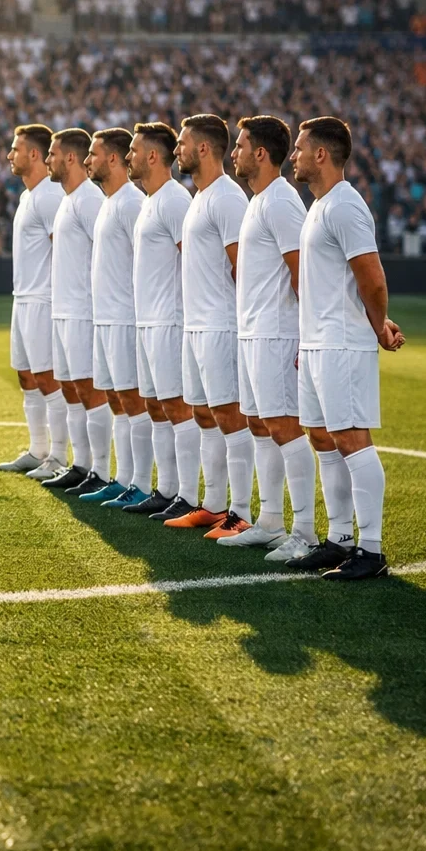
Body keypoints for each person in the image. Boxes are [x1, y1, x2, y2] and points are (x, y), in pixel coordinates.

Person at [284, 116, 404, 580]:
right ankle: (340, 539)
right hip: (317, 343)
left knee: (353, 439)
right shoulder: (318, 205)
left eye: (299, 148)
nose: (294, 156)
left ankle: (371, 551)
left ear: (321, 154)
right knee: (322, 438)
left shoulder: (346, 206)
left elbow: (372, 278)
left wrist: (377, 326)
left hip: (342, 343)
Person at [219, 115, 316, 556]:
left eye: (239, 146)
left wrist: (303, 335)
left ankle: (306, 533)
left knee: (285, 428)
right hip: (253, 331)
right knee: (260, 426)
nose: (233, 153)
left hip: (277, 333)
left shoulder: (281, 201)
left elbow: (303, 273)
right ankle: (271, 521)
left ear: (260, 153)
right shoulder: (257, 199)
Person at [164, 114, 250, 535]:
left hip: (220, 324)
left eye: (181, 143)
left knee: (229, 415)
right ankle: (214, 506)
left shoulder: (228, 198)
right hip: (195, 325)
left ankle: (241, 511)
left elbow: (244, 267)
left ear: (202, 148)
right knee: (202, 413)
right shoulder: (199, 196)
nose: (176, 149)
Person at [122, 123, 195, 520]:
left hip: (168, 320)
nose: (129, 157)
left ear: (153, 155)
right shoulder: (151, 200)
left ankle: (185, 493)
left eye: (134, 151)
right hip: (146, 320)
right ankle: (165, 489)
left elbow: (193, 259)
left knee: (177, 407)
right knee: (155, 405)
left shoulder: (173, 200)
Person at [79, 127, 152, 508]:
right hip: (104, 318)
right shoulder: (109, 201)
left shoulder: (131, 203)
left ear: (112, 158)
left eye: (92, 153)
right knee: (116, 400)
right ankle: (124, 479)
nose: (87, 160)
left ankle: (141, 483)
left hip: (125, 318)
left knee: (132, 401)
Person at [37, 128, 109, 495]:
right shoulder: (68, 198)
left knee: (89, 389)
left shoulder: (89, 199)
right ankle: (80, 465)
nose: (46, 160)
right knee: (70, 388)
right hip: (64, 309)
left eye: (51, 154)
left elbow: (106, 252)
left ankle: (100, 469)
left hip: (83, 309)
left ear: (69, 158)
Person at [0, 124, 68, 479]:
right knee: (26, 377)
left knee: (47, 378)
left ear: (34, 154)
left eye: (15, 149)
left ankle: (58, 455)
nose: (10, 155)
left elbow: (63, 250)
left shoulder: (51, 196)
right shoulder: (28, 196)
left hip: (44, 299)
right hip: (22, 297)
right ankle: (38, 449)